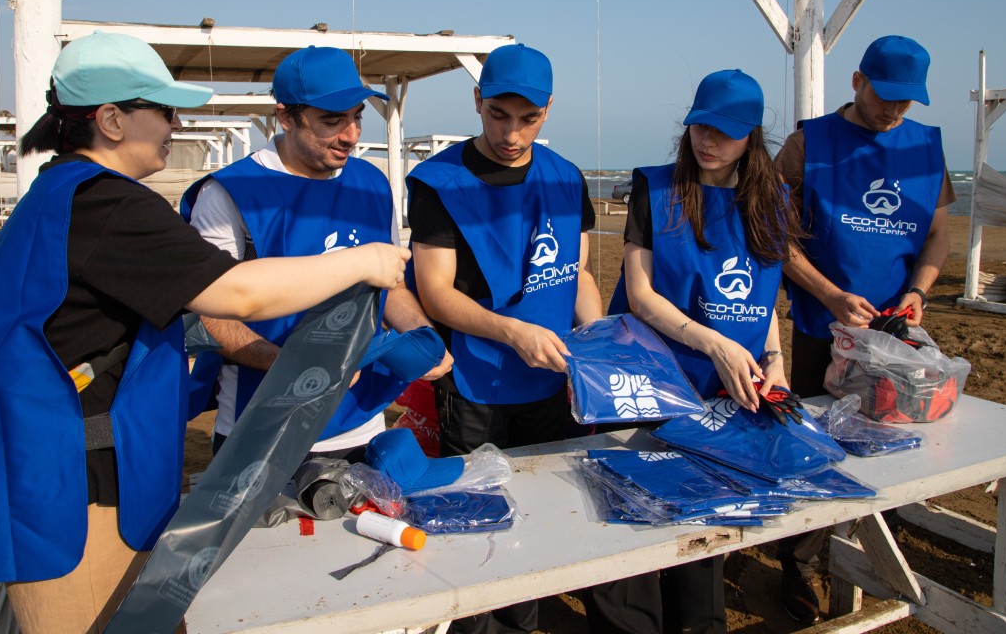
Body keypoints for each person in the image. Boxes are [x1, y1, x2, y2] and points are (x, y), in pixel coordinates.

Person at [0, 32, 410, 634]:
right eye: (164, 110)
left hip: (54, 468)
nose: (176, 124)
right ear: (112, 120)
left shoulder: (61, 195)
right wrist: (364, 260)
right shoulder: (107, 206)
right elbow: (235, 295)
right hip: (76, 485)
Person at [584, 69, 798, 634]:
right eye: (700, 127)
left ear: (751, 136)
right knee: (633, 510)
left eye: (724, 132)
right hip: (646, 378)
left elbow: (764, 300)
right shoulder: (657, 191)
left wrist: (775, 365)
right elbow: (641, 296)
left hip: (723, 389)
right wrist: (716, 343)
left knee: (705, 518)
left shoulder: (773, 201)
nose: (708, 141)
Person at [407, 42, 604, 634]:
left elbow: (577, 273)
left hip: (552, 378)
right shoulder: (439, 181)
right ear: (477, 101)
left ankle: (524, 618)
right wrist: (512, 331)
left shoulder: (566, 176)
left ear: (548, 110)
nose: (512, 134)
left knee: (543, 506)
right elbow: (434, 291)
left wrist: (596, 341)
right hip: (476, 381)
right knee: (476, 514)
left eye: (528, 118)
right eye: (498, 115)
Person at [183, 45, 452, 461]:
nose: (351, 135)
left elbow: (389, 285)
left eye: (357, 117)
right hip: (261, 424)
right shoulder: (229, 193)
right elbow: (208, 315)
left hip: (360, 419)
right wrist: (291, 367)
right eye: (332, 121)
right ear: (286, 117)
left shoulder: (371, 182)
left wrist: (422, 334)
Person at [772, 34, 955, 622]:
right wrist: (828, 293)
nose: (893, 110)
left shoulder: (925, 147)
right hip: (823, 327)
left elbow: (937, 233)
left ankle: (875, 546)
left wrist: (918, 292)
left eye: (905, 100)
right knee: (816, 445)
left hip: (895, 334)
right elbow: (774, 233)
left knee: (893, 439)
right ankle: (800, 563)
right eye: (884, 96)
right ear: (857, 82)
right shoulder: (809, 143)